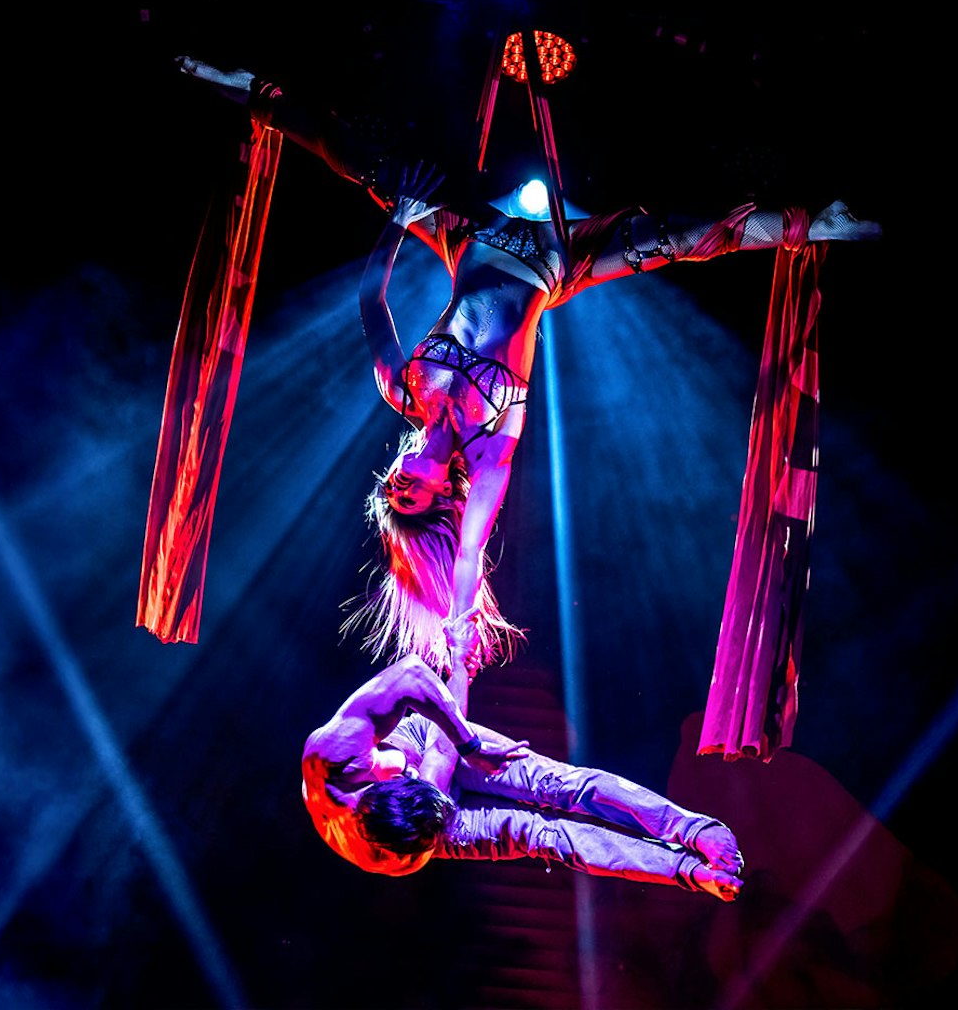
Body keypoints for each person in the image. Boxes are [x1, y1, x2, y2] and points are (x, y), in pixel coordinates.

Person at [176, 57, 880, 676]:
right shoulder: (489, 454)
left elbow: (370, 302)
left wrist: (403, 218)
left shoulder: (404, 389)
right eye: (410, 498)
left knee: (371, 167)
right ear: (438, 496)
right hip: (554, 261)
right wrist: (453, 637)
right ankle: (814, 223)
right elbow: (467, 559)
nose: (398, 482)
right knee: (683, 237)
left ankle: (249, 89)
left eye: (390, 491)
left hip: (469, 231)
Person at [301, 652, 747, 900]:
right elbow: (438, 763)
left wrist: (469, 746)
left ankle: (695, 829)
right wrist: (461, 670)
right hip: (435, 821)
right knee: (548, 837)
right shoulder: (399, 854)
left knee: (562, 787)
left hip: (422, 743)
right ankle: (693, 872)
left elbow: (413, 675)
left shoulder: (333, 755)